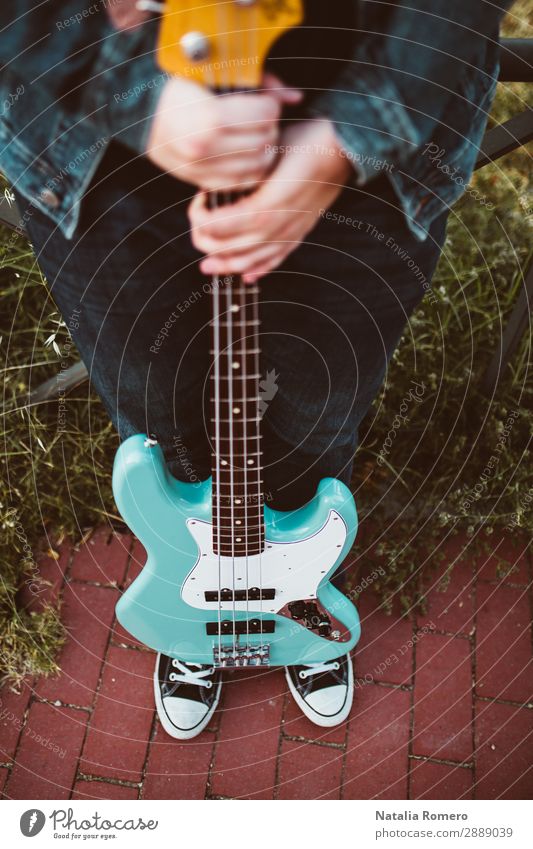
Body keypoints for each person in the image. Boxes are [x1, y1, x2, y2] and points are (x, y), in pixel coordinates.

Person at [0, 1, 511, 739]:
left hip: (380, 125)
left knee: (320, 407)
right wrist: (129, 93)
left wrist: (346, 139)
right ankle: (193, 615)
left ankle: (296, 588)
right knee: (156, 418)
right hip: (94, 147)